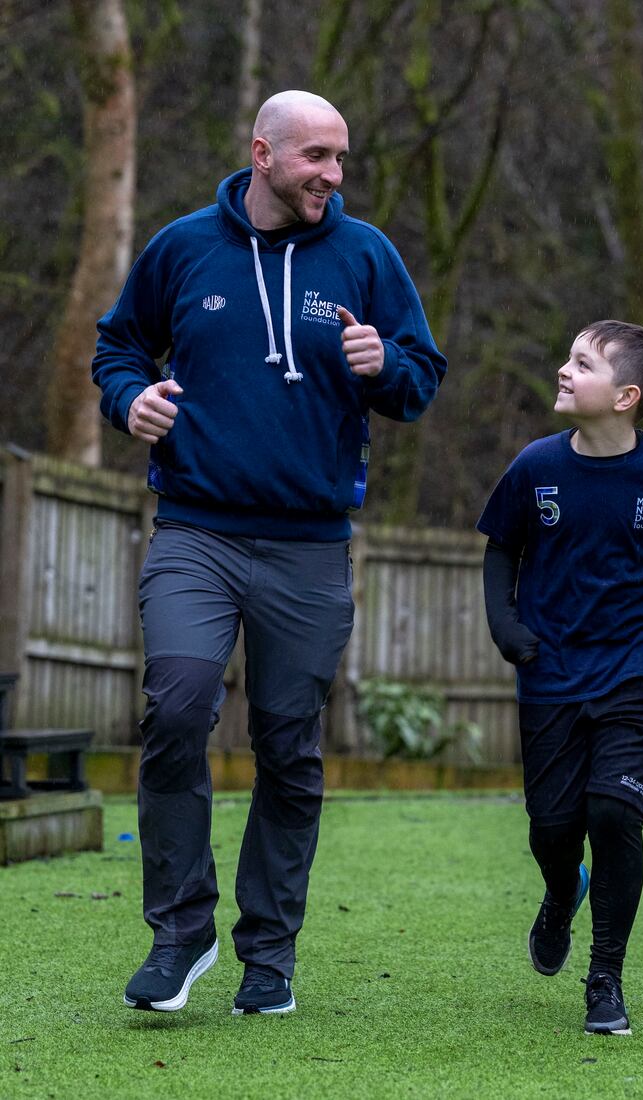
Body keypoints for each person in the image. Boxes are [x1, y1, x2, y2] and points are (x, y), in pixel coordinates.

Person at [92, 90, 446, 1017]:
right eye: (316, 157)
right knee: (175, 711)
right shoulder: (181, 248)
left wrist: (385, 370)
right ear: (263, 153)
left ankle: (269, 954)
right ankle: (179, 933)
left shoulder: (368, 256)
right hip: (195, 532)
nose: (333, 175)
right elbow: (118, 347)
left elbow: (421, 379)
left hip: (310, 549)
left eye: (341, 159)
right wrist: (130, 400)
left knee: (288, 749)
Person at [477, 320, 643, 1035]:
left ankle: (606, 979)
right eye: (567, 357)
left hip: (636, 673)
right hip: (552, 672)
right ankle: (562, 894)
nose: (564, 370)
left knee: (615, 814)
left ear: (625, 396)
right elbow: (502, 548)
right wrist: (507, 628)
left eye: (582, 363)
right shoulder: (534, 467)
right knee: (552, 828)